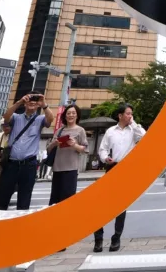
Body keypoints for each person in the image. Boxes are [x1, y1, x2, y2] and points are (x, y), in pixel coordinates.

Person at [94, 103, 146, 252]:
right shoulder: (111, 131)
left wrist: (134, 123)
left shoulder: (134, 130)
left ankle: (116, 239)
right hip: (112, 167)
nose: (130, 116)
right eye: (128, 113)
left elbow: (145, 137)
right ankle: (98, 239)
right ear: (120, 115)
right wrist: (105, 158)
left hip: (127, 170)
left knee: (121, 206)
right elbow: (102, 149)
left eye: (131, 113)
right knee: (102, 205)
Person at [0, 93, 53, 210]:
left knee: (24, 199)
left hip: (29, 165)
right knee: (3, 196)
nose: (32, 101)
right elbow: (6, 117)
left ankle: (20, 226)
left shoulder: (39, 119)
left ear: (38, 105)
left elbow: (50, 119)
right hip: (11, 164)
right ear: (25, 102)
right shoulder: (16, 117)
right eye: (29, 99)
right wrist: (19, 102)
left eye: (35, 99)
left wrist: (44, 105)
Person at [48, 105, 88, 206]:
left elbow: (84, 149)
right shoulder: (59, 131)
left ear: (77, 116)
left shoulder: (80, 130)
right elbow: (49, 149)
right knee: (55, 201)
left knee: (67, 201)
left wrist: (74, 145)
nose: (71, 115)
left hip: (71, 169)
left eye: (73, 113)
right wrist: (55, 143)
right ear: (65, 116)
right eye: (68, 113)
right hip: (57, 169)